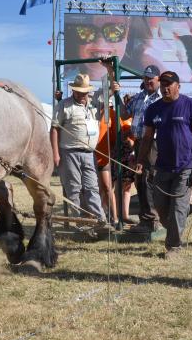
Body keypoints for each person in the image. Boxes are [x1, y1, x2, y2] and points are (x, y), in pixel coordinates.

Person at [135, 70, 192, 259]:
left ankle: (173, 247)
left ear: (178, 86)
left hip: (185, 166)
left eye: (169, 84)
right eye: (162, 84)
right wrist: (140, 160)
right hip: (161, 166)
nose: (165, 88)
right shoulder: (153, 109)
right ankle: (176, 230)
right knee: (161, 209)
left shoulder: (190, 105)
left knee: (177, 207)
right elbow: (146, 138)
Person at [111, 64, 162, 233]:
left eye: (151, 78)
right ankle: (146, 218)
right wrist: (117, 95)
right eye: (146, 78)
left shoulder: (162, 98)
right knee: (140, 181)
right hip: (139, 142)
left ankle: (152, 219)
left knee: (148, 178)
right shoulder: (139, 97)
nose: (148, 81)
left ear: (158, 79)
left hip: (154, 143)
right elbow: (125, 114)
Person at [50, 74, 106, 224]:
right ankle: (81, 223)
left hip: (89, 153)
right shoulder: (63, 105)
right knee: (74, 189)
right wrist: (55, 154)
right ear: (73, 91)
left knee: (92, 187)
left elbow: (109, 90)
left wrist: (109, 70)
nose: (82, 95)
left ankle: (99, 221)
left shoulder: (94, 103)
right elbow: (54, 129)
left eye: (85, 92)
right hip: (69, 153)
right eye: (79, 92)